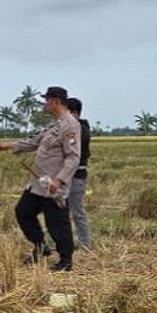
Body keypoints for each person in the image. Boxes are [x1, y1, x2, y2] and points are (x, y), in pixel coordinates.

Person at [0, 86, 81, 272]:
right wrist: (9, 146)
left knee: (57, 223)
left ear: (55, 101)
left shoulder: (70, 125)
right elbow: (34, 142)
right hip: (38, 184)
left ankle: (66, 259)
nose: (45, 104)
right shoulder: (54, 125)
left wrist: (59, 180)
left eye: (47, 100)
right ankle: (40, 246)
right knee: (23, 212)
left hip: (53, 186)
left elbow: (73, 157)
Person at [66, 97, 92, 250]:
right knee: (61, 212)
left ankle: (85, 244)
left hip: (77, 176)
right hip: (65, 176)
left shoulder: (81, 130)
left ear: (74, 112)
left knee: (77, 212)